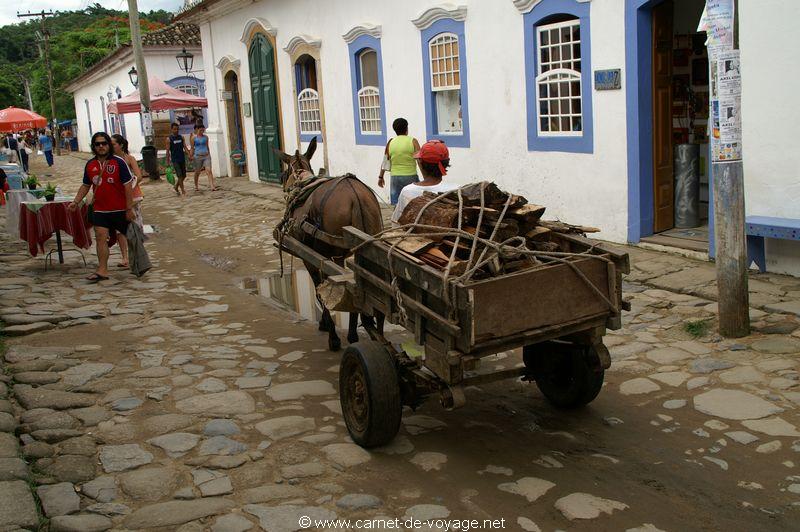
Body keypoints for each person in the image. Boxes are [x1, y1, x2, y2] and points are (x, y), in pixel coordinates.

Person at [68, 132, 135, 282]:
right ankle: (103, 270)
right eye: (97, 144)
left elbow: (128, 186)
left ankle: (138, 261)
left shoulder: (119, 162)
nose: (101, 146)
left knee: (132, 237)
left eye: (104, 143)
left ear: (109, 145)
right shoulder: (90, 165)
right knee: (100, 237)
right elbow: (86, 185)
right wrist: (76, 201)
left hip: (119, 209)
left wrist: (129, 208)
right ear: (94, 147)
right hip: (100, 209)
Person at [391, 140, 458, 224]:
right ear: (446, 163)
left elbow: (396, 223)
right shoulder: (456, 190)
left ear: (421, 163)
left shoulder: (407, 191)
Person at [111, 134, 145, 266]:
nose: (111, 146)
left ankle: (136, 253)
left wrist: (130, 186)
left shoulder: (129, 159)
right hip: (117, 197)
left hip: (133, 196)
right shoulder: (110, 161)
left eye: (113, 144)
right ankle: (125, 257)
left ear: (121, 145)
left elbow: (139, 176)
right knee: (119, 228)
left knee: (135, 224)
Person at [378, 118, 420, 205]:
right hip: (410, 176)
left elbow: (385, 162)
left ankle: (397, 218)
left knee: (397, 205)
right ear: (407, 129)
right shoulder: (413, 141)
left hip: (395, 178)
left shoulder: (390, 143)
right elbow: (420, 161)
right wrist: (427, 178)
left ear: (395, 130)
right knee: (413, 203)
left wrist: (380, 177)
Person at [190, 123, 217, 191]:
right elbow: (192, 148)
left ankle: (212, 185)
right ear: (197, 130)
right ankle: (196, 185)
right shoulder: (194, 138)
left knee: (209, 170)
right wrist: (191, 155)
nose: (202, 132)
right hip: (197, 156)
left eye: (203, 130)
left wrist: (209, 154)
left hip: (206, 156)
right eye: (200, 130)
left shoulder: (206, 137)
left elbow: (207, 146)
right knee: (197, 171)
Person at [165, 122, 191, 196]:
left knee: (184, 175)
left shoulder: (181, 137)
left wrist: (189, 154)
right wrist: (167, 162)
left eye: (177, 129)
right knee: (179, 175)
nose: (176, 130)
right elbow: (167, 151)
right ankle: (183, 190)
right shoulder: (169, 139)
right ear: (171, 129)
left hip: (182, 158)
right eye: (174, 129)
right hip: (175, 160)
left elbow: (185, 147)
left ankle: (176, 186)